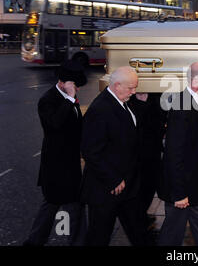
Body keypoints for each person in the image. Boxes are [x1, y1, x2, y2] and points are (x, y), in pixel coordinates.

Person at [80, 66, 150, 246]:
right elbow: (90, 151)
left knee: (140, 234)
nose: (134, 92)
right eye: (131, 88)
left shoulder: (123, 101)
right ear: (117, 85)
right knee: (99, 237)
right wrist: (112, 179)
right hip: (106, 190)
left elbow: (128, 132)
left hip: (129, 187)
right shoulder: (100, 109)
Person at [23, 61, 87, 246]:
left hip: (71, 164)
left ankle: (75, 241)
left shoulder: (70, 98)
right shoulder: (48, 100)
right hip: (56, 166)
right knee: (52, 205)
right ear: (65, 83)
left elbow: (76, 126)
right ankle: (34, 241)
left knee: (73, 206)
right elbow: (55, 125)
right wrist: (69, 99)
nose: (78, 89)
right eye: (75, 84)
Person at [157, 62, 198, 246]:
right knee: (172, 233)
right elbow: (173, 155)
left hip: (193, 183)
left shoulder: (195, 103)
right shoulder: (183, 108)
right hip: (182, 188)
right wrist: (179, 194)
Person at [128, 93, 167, 230]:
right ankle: (139, 218)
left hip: (153, 150)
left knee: (150, 185)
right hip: (137, 153)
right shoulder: (129, 100)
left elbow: (163, 116)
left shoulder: (156, 96)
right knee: (140, 188)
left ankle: (141, 215)